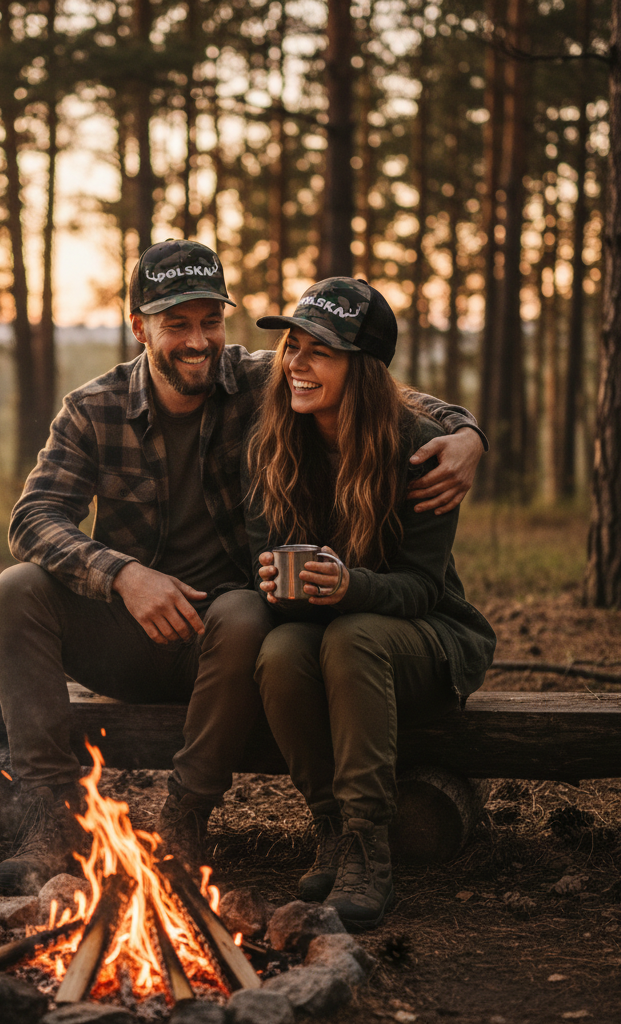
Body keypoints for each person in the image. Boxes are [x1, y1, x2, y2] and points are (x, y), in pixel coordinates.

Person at [0, 240, 488, 895]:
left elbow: (375, 388)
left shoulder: (259, 378)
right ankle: (53, 821)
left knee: (247, 608)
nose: (198, 341)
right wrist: (122, 575)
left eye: (211, 321)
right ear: (139, 327)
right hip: (128, 634)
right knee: (17, 587)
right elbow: (32, 520)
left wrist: (469, 434)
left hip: (229, 640)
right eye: (177, 324)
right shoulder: (94, 408)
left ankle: (185, 817)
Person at [241, 276, 496, 932]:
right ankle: (329, 825)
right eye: (291, 348)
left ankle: (366, 845)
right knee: (278, 650)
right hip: (330, 633)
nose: (294, 365)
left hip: (428, 637)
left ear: (362, 369)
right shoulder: (276, 444)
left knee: (353, 635)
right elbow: (269, 556)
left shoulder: (418, 450)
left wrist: (351, 586)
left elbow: (422, 587)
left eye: (317, 352)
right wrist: (278, 586)